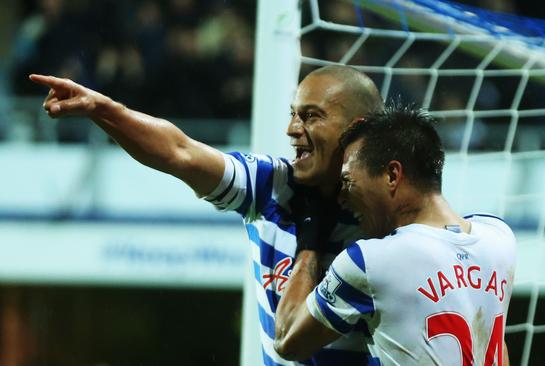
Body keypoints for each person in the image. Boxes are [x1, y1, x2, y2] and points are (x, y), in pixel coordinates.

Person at [29, 65, 383, 365]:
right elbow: (178, 151)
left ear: (357, 127)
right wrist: (104, 110)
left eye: (311, 116)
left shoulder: (387, 225)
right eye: (293, 114)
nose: (292, 129)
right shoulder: (272, 185)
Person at [273, 104, 516, 365]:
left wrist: (311, 238)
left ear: (392, 175)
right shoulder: (499, 237)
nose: (342, 197)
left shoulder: (369, 261)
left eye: (348, 181)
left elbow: (289, 343)